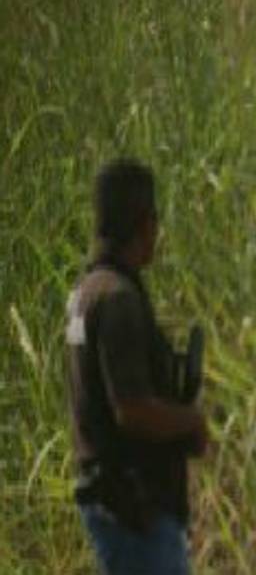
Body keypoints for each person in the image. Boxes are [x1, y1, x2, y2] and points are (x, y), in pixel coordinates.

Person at [66, 158, 208, 575]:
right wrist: (192, 421)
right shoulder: (118, 299)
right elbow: (132, 410)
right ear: (145, 223)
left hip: (113, 505)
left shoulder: (84, 294)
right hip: (136, 512)